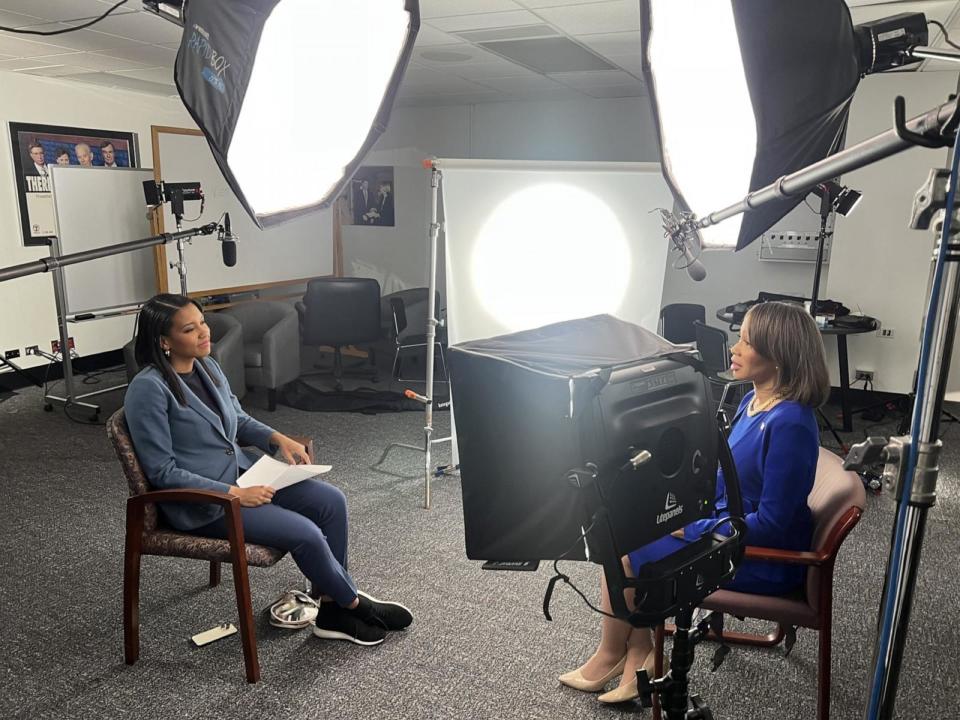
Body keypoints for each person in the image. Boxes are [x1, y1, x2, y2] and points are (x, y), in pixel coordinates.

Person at [558, 301, 829, 703]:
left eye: (747, 342)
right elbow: (728, 477)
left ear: (779, 356)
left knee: (627, 550)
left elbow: (772, 522)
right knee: (626, 530)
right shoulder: (755, 404)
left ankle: (627, 655)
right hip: (732, 531)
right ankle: (632, 654)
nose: (734, 348)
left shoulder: (790, 423)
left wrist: (694, 525)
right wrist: (680, 503)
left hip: (764, 558)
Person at [124, 293, 413, 646]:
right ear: (164, 342)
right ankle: (351, 603)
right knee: (306, 533)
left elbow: (239, 420)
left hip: (244, 473)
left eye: (202, 322)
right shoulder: (148, 390)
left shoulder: (208, 367)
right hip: (204, 502)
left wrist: (278, 438)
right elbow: (162, 471)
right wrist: (235, 494)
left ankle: (332, 606)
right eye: (191, 328)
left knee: (331, 501)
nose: (204, 332)